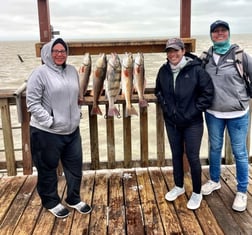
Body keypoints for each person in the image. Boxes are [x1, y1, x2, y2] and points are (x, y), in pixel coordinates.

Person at [26, 38, 92, 218]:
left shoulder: (71, 71)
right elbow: (32, 103)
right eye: (56, 51)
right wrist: (50, 121)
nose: (60, 54)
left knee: (75, 167)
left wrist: (76, 111)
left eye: (63, 51)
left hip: (71, 131)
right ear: (48, 53)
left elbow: (75, 95)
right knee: (47, 168)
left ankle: (73, 198)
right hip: (46, 132)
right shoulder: (39, 73)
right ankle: (51, 202)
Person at [155, 38, 214, 210]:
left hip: (192, 122)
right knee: (176, 154)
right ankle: (179, 186)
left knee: (193, 156)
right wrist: (166, 108)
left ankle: (197, 192)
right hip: (172, 122)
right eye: (169, 51)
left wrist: (193, 111)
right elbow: (158, 91)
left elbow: (207, 93)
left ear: (183, 51)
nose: (172, 54)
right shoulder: (163, 71)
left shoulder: (196, 69)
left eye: (176, 50)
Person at [201, 20, 252, 212]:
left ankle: (241, 191)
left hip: (238, 113)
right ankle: (214, 180)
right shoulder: (205, 56)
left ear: (228, 33)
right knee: (215, 148)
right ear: (211, 35)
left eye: (223, 31)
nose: (219, 34)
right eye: (215, 31)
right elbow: (193, 75)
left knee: (239, 152)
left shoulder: (240, 55)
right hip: (213, 112)